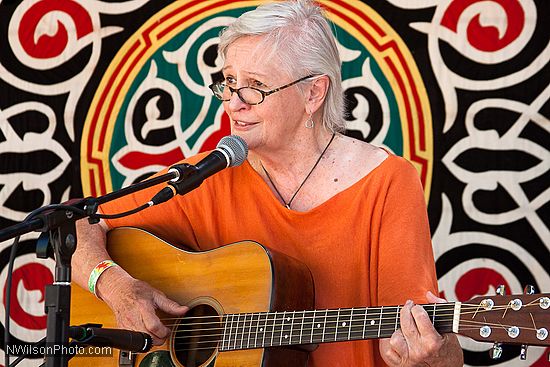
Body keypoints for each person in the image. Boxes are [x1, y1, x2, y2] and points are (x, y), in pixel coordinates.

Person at [73, 0, 463, 365]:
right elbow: (78, 225)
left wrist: (435, 357)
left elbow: (423, 338)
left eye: (255, 86)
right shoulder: (205, 178)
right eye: (228, 80)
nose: (232, 102)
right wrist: (114, 286)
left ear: (313, 93)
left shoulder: (387, 182)